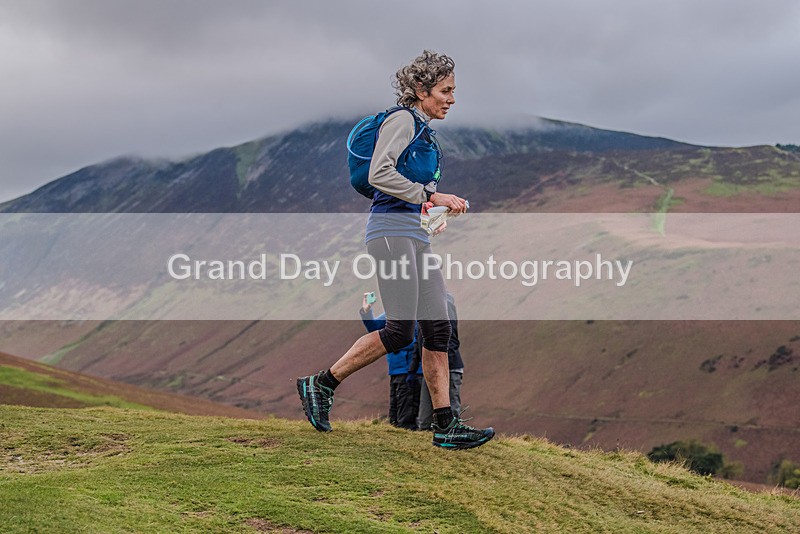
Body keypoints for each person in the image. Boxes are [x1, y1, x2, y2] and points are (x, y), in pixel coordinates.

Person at [297, 50, 494, 450]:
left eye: (453, 91)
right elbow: (379, 173)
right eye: (445, 90)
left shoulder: (423, 129)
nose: (452, 99)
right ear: (421, 90)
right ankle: (320, 384)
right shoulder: (403, 120)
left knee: (438, 328)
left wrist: (427, 212)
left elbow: (402, 187)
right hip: (390, 234)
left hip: (411, 234)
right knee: (400, 330)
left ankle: (446, 425)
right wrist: (433, 195)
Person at [359, 292, 421, 430]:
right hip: (395, 369)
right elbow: (374, 329)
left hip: (409, 370)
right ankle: (396, 436)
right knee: (395, 412)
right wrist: (366, 311)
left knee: (407, 412)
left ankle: (407, 440)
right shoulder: (391, 315)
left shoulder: (415, 315)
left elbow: (416, 341)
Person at [414, 291, 464, 430]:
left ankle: (454, 439)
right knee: (425, 418)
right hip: (430, 369)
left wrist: (444, 366)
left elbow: (452, 338)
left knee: (451, 412)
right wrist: (414, 369)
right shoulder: (423, 307)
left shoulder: (444, 304)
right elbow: (419, 341)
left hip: (449, 369)